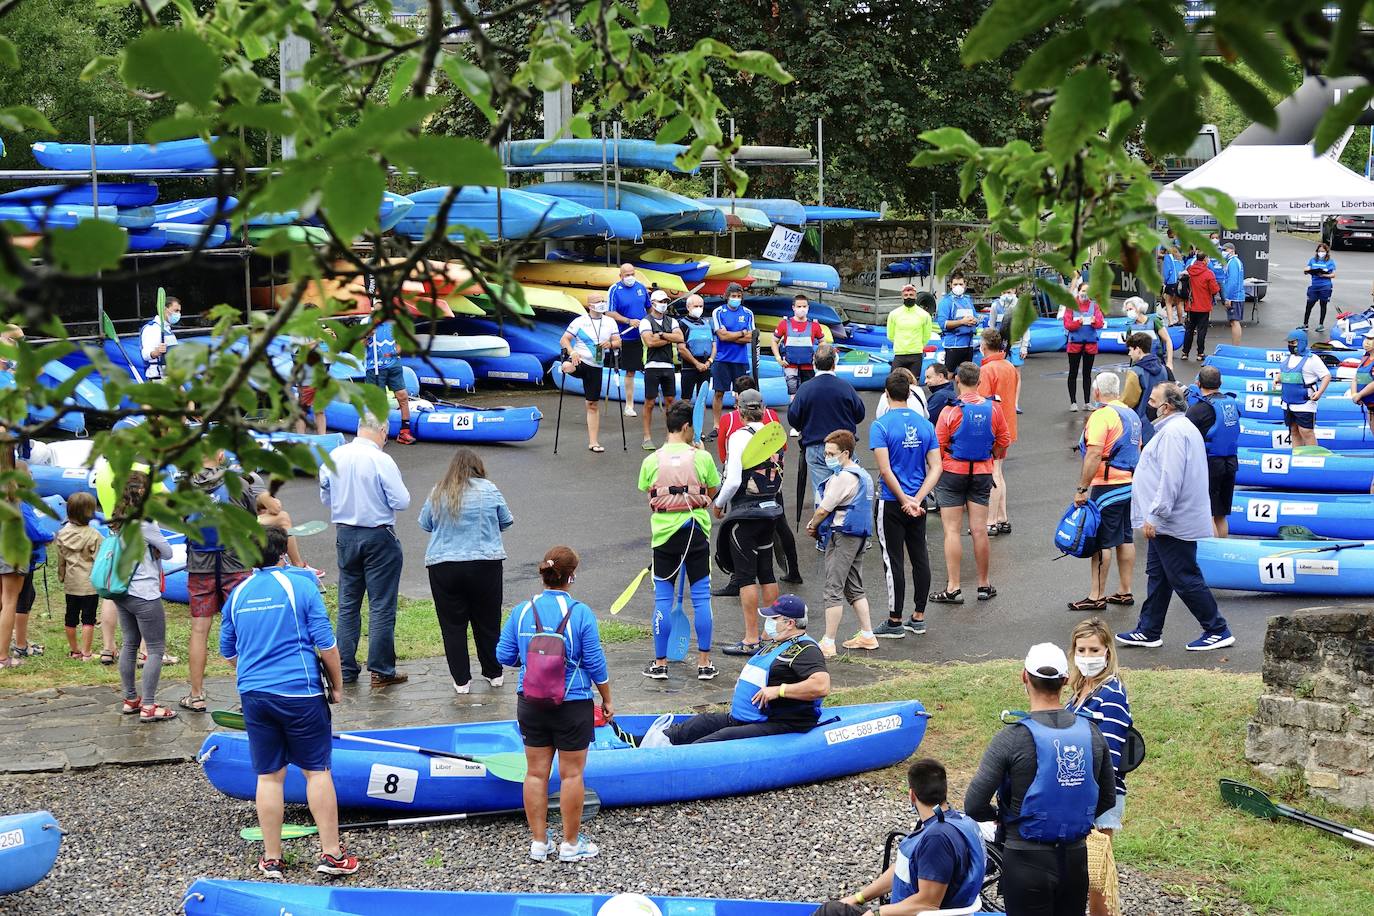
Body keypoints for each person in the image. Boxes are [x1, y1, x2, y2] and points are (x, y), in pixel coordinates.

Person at [220, 526, 357, 879]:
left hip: (254, 694)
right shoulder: (301, 586)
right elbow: (326, 645)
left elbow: (228, 652)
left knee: (269, 777)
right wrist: (338, 687)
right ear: (284, 552)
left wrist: (254, 673)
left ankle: (271, 858)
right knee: (316, 771)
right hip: (300, 693)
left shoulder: (237, 594)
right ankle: (331, 854)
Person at [965, 643, 1117, 916]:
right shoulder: (1092, 733)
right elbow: (1107, 797)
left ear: (1024, 676)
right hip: (1074, 859)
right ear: (1065, 680)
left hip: (1025, 860)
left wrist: (1003, 816)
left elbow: (974, 805)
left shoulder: (1010, 738)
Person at [496, 546, 612, 863]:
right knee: (572, 775)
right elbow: (595, 664)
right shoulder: (581, 613)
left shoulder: (521, 611)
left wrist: (533, 660)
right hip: (572, 703)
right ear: (571, 576)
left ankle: (538, 843)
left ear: (544, 574)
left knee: (535, 774)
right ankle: (571, 845)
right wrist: (606, 698)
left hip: (531, 702)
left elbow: (503, 656)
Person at [1116, 383, 1234, 652]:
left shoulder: (1174, 433)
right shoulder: (1175, 429)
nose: (1149, 404)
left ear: (1166, 407)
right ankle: (1149, 629)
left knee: (1183, 575)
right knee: (1158, 575)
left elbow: (1171, 477)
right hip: (1168, 519)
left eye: (1153, 400)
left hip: (1172, 520)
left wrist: (1156, 515)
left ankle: (1216, 628)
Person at [824, 758, 987, 916]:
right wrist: (858, 898)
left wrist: (877, 913)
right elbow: (904, 868)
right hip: (910, 910)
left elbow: (928, 904)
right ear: (944, 791)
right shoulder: (957, 821)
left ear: (912, 795)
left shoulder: (937, 839)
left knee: (828, 912)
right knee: (838, 908)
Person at [319, 415, 411, 688]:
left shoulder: (335, 454)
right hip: (378, 533)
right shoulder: (381, 459)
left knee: (348, 603)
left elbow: (325, 492)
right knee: (381, 605)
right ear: (381, 430)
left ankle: (345, 668)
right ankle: (381, 670)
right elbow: (401, 500)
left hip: (345, 532)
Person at [664, 594, 829, 744]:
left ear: (790, 623)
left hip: (778, 724)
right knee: (693, 727)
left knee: (706, 744)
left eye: (773, 618)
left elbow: (821, 686)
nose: (769, 622)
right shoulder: (778, 642)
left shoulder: (807, 649)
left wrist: (779, 690)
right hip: (744, 718)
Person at [638, 400, 721, 681]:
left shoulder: (651, 460)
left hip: (663, 535)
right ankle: (705, 663)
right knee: (701, 598)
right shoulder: (702, 458)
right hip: (696, 529)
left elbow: (647, 490)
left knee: (663, 598)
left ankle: (660, 664)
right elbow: (713, 488)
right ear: (687, 427)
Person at [419, 448, 513, 695]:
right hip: (485, 563)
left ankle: (461, 680)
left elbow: (425, 523)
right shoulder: (489, 488)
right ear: (478, 467)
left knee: (452, 625)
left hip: (444, 564)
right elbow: (506, 520)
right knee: (488, 622)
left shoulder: (438, 490)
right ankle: (494, 673)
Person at [183, 450, 265, 713]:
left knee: (199, 630)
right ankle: (251, 694)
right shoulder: (237, 482)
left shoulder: (184, 487)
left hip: (200, 565)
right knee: (245, 631)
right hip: (235, 564)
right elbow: (251, 519)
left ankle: (196, 695)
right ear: (220, 455)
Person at [1065, 617, 1133, 916]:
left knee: (1097, 873)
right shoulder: (1079, 689)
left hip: (1100, 793)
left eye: (1094, 650)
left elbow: (1110, 753)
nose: (1088, 657)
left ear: (1107, 651)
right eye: (1082, 650)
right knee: (1083, 869)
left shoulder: (1112, 693)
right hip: (1076, 790)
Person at [931, 362, 1009, 605]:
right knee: (979, 530)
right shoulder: (994, 409)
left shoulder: (950, 411)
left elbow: (939, 444)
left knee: (952, 531)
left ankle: (954, 587)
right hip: (982, 473)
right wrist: (992, 455)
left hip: (953, 472)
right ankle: (983, 584)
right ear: (979, 382)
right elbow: (1003, 439)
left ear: (957, 381)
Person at [870, 372, 941, 639]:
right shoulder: (925, 425)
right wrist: (918, 498)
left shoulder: (881, 425)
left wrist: (904, 500)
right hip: (917, 504)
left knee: (893, 560)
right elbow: (936, 467)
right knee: (919, 556)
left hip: (891, 502)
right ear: (910, 394)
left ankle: (895, 619)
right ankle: (918, 617)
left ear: (886, 395)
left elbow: (885, 470)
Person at [714, 375, 803, 588]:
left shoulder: (730, 420)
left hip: (746, 490)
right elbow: (783, 447)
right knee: (781, 529)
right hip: (772, 486)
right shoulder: (772, 418)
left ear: (738, 401)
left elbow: (724, 457)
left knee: (739, 537)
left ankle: (737, 581)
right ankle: (794, 570)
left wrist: (719, 500)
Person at [715, 389, 785, 655]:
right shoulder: (773, 434)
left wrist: (719, 503)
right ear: (763, 408)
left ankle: (750, 639)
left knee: (746, 577)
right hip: (771, 509)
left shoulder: (739, 437)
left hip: (745, 513)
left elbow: (733, 480)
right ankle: (772, 634)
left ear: (739, 409)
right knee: (767, 572)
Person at [1069, 372, 1139, 613]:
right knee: (1125, 537)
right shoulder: (1131, 414)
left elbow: (1094, 453)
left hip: (1108, 485)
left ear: (1097, 392)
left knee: (1102, 542)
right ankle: (1124, 590)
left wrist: (1082, 488)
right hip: (1131, 483)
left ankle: (1096, 595)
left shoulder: (1102, 415)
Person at [110, 474, 178, 722]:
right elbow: (169, 553)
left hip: (122, 590)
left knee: (129, 644)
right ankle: (149, 705)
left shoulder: (118, 520)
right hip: (144, 592)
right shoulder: (146, 523)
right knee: (156, 648)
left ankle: (130, 699)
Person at [805, 430, 878, 656]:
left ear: (845, 453)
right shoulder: (862, 474)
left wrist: (812, 525)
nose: (827, 457)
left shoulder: (842, 477)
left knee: (833, 588)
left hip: (843, 535)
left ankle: (828, 642)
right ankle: (867, 635)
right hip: (859, 535)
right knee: (853, 585)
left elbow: (824, 509)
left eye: (831, 453)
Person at [786, 343, 866, 500]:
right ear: (834, 363)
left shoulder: (805, 389)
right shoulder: (846, 387)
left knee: (823, 493)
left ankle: (823, 521)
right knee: (849, 490)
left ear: (814, 363)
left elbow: (793, 418)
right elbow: (860, 414)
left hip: (816, 445)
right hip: (844, 446)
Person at [559, 291, 622, 453]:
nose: (602, 303)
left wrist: (610, 344)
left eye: (603, 300)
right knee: (567, 367)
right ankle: (565, 366)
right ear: (590, 305)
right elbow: (564, 339)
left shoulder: (610, 322)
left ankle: (593, 442)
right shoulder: (580, 321)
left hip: (596, 366)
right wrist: (572, 351)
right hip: (580, 360)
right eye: (599, 301)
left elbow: (618, 341)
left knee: (592, 404)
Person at [1184, 367, 1240, 538]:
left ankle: (1214, 552)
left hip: (1209, 465)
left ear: (1198, 383)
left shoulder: (1198, 409)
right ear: (1220, 383)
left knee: (1207, 512)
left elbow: (1184, 436)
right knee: (1221, 514)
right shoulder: (1231, 403)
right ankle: (1223, 550)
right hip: (1231, 462)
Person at [978, 328, 1019, 537]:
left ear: (984, 346)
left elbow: (981, 401)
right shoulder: (1009, 366)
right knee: (999, 472)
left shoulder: (987, 370)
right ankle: (1002, 518)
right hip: (1008, 425)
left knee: (992, 473)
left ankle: (991, 521)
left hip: (993, 428)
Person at [56, 491, 101, 661]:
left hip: (71, 583)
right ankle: (87, 653)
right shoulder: (94, 535)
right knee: (88, 619)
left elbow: (61, 561)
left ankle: (74, 651)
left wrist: (62, 577)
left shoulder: (62, 534)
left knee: (71, 617)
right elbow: (99, 562)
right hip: (89, 585)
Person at [362, 306, 414, 444]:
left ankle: (405, 432)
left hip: (393, 365)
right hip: (374, 367)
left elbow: (400, 343)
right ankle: (378, 433)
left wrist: (394, 354)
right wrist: (367, 334)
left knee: (403, 396)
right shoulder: (366, 323)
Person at [638, 289, 683, 450]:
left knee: (670, 401)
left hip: (668, 365)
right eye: (660, 301)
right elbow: (650, 342)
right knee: (649, 402)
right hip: (651, 365)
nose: (663, 304)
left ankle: (670, 436)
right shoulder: (645, 321)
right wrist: (668, 337)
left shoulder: (672, 321)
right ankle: (647, 437)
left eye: (665, 301)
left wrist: (662, 335)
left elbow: (680, 338)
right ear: (653, 303)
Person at [710, 282, 756, 434]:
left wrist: (730, 335)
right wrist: (741, 333)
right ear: (727, 296)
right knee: (719, 393)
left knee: (741, 394)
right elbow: (721, 336)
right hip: (722, 359)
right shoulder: (718, 311)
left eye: (738, 296)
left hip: (740, 359)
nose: (736, 299)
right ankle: (716, 425)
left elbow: (751, 337)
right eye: (733, 296)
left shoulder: (748, 313)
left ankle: (741, 423)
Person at [607, 263, 649, 419]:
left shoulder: (641, 288)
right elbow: (609, 312)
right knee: (630, 371)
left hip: (644, 335)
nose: (630, 277)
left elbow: (649, 308)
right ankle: (629, 405)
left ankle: (650, 400)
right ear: (621, 275)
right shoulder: (615, 290)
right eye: (626, 275)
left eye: (632, 274)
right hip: (626, 335)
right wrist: (628, 321)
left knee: (649, 368)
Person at [1278, 328, 1332, 448]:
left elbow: (1326, 376)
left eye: (1293, 343)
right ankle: (1297, 458)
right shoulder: (1288, 358)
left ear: (1301, 343)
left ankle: (1314, 459)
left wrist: (1319, 392)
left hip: (1305, 403)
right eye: (1289, 343)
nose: (1290, 346)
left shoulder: (1312, 360)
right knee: (1294, 431)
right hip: (1287, 402)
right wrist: (1278, 378)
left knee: (1306, 431)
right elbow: (1287, 375)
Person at [256, 484, 323, 575]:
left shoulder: (252, 480)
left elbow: (272, 504)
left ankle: (290, 563)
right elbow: (274, 508)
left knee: (276, 515)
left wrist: (272, 502)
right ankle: (298, 564)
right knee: (282, 517)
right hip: (238, 523)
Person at [772, 293, 826, 402]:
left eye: (804, 306)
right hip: (790, 365)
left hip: (808, 366)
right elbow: (774, 341)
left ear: (808, 308)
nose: (802, 309)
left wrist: (817, 356)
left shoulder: (815, 325)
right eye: (799, 306)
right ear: (793, 308)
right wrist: (778, 358)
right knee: (793, 395)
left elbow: (822, 342)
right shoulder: (784, 323)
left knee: (809, 394)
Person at [1063, 286, 1105, 411]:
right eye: (1083, 291)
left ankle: (1087, 402)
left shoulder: (1095, 306)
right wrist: (1078, 323)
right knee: (1073, 373)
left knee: (1087, 374)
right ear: (1079, 291)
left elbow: (1100, 323)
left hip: (1090, 345)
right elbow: (1067, 324)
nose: (1085, 293)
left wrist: (1094, 321)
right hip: (1074, 344)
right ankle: (1073, 402)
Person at [1122, 332, 1168, 444]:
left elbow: (1128, 402)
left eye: (1130, 350)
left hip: (1140, 424)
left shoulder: (1135, 372)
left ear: (1138, 349)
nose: (1129, 354)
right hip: (1161, 421)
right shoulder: (1163, 368)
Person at [887, 286, 935, 378]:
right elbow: (890, 335)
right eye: (906, 295)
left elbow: (926, 335)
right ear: (902, 296)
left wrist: (918, 346)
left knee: (913, 384)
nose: (908, 297)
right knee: (895, 382)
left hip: (916, 354)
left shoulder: (924, 315)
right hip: (899, 354)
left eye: (911, 295)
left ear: (916, 296)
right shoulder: (893, 314)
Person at [1180, 250, 1219, 361]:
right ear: (1205, 259)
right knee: (1202, 331)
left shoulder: (1189, 270)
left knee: (1189, 330)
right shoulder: (1208, 273)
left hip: (1190, 305)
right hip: (1203, 306)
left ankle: (1185, 352)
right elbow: (1214, 290)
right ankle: (1200, 353)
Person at [935, 272, 978, 371]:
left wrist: (975, 321)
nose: (958, 286)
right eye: (955, 284)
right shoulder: (946, 302)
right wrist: (962, 322)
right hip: (953, 345)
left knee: (967, 376)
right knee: (949, 375)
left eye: (961, 284)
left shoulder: (968, 300)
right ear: (950, 285)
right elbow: (943, 324)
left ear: (965, 284)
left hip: (968, 344)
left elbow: (976, 318)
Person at [676, 293, 715, 405]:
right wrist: (696, 363)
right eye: (695, 306)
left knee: (701, 399)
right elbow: (682, 349)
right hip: (689, 367)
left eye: (700, 306)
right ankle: (686, 421)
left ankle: (699, 422)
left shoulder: (707, 324)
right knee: (686, 399)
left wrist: (709, 362)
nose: (698, 309)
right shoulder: (682, 324)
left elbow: (714, 345)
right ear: (688, 307)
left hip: (705, 366)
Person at [1121, 296, 1174, 374]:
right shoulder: (1131, 327)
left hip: (1156, 363)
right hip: (1137, 366)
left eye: (1131, 309)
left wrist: (1169, 362)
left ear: (1138, 308)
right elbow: (1130, 349)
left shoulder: (1154, 322)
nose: (1129, 312)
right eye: (1127, 310)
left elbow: (1168, 340)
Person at [1348, 330, 1374, 479]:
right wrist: (1354, 394)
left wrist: (1360, 394)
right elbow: (1356, 378)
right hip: (1370, 406)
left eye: (1371, 339)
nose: (1367, 342)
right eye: (1366, 339)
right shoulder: (1365, 358)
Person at [140, 295, 181, 380]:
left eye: (179, 311)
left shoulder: (167, 329)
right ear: (165, 310)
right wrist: (156, 352)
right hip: (158, 379)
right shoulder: (152, 328)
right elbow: (145, 354)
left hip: (170, 377)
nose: (178, 314)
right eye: (176, 311)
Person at [1303, 242, 1337, 331]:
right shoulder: (1313, 260)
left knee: (1323, 304)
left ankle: (1321, 324)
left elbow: (1333, 275)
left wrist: (1324, 275)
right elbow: (1307, 268)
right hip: (1314, 286)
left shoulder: (1330, 262)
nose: (1321, 253)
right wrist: (1307, 270)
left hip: (1325, 286)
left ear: (1326, 252)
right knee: (1309, 304)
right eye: (1319, 251)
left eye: (1323, 251)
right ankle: (1305, 324)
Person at [1221, 243, 1246, 346]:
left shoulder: (1233, 263)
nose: (1223, 252)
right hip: (1236, 296)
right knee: (1233, 321)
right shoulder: (1234, 262)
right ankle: (1235, 346)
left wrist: (1228, 298)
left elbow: (1233, 281)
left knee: (1235, 322)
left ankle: (1236, 347)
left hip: (1234, 297)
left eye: (1225, 250)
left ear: (1231, 250)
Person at [1160, 246, 1184, 326]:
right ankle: (1180, 321)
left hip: (1171, 282)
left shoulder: (1168, 257)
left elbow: (1167, 271)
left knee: (1168, 302)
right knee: (1179, 303)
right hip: (1180, 282)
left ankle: (1170, 322)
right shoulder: (1180, 259)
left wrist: (1165, 282)